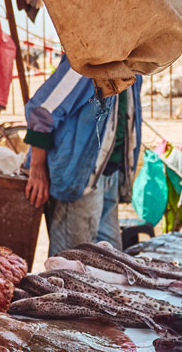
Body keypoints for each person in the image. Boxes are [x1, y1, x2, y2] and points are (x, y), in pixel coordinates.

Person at [23, 54, 142, 255]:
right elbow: (42, 110)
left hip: (108, 175)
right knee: (72, 263)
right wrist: (37, 168)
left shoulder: (136, 64)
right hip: (79, 178)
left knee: (111, 261)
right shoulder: (87, 59)